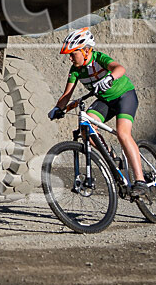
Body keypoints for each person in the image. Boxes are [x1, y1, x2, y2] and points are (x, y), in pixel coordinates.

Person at [47, 27, 148, 198]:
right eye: (69, 55)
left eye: (73, 54)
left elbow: (119, 68)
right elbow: (67, 95)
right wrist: (58, 108)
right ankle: (112, 157)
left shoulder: (98, 58)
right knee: (86, 128)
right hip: (104, 101)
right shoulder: (75, 70)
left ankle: (140, 181)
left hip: (124, 96)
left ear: (86, 50)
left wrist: (110, 77)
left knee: (123, 134)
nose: (70, 58)